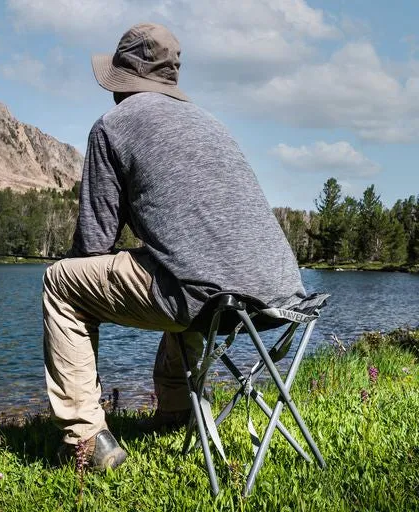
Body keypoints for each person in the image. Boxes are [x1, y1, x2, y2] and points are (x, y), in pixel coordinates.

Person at [42, 22, 305, 471]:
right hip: (279, 298)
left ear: (122, 81)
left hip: (208, 298)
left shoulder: (113, 125)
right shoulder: (211, 123)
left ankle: (86, 442)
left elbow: (93, 244)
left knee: (60, 284)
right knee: (187, 268)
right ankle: (177, 411)